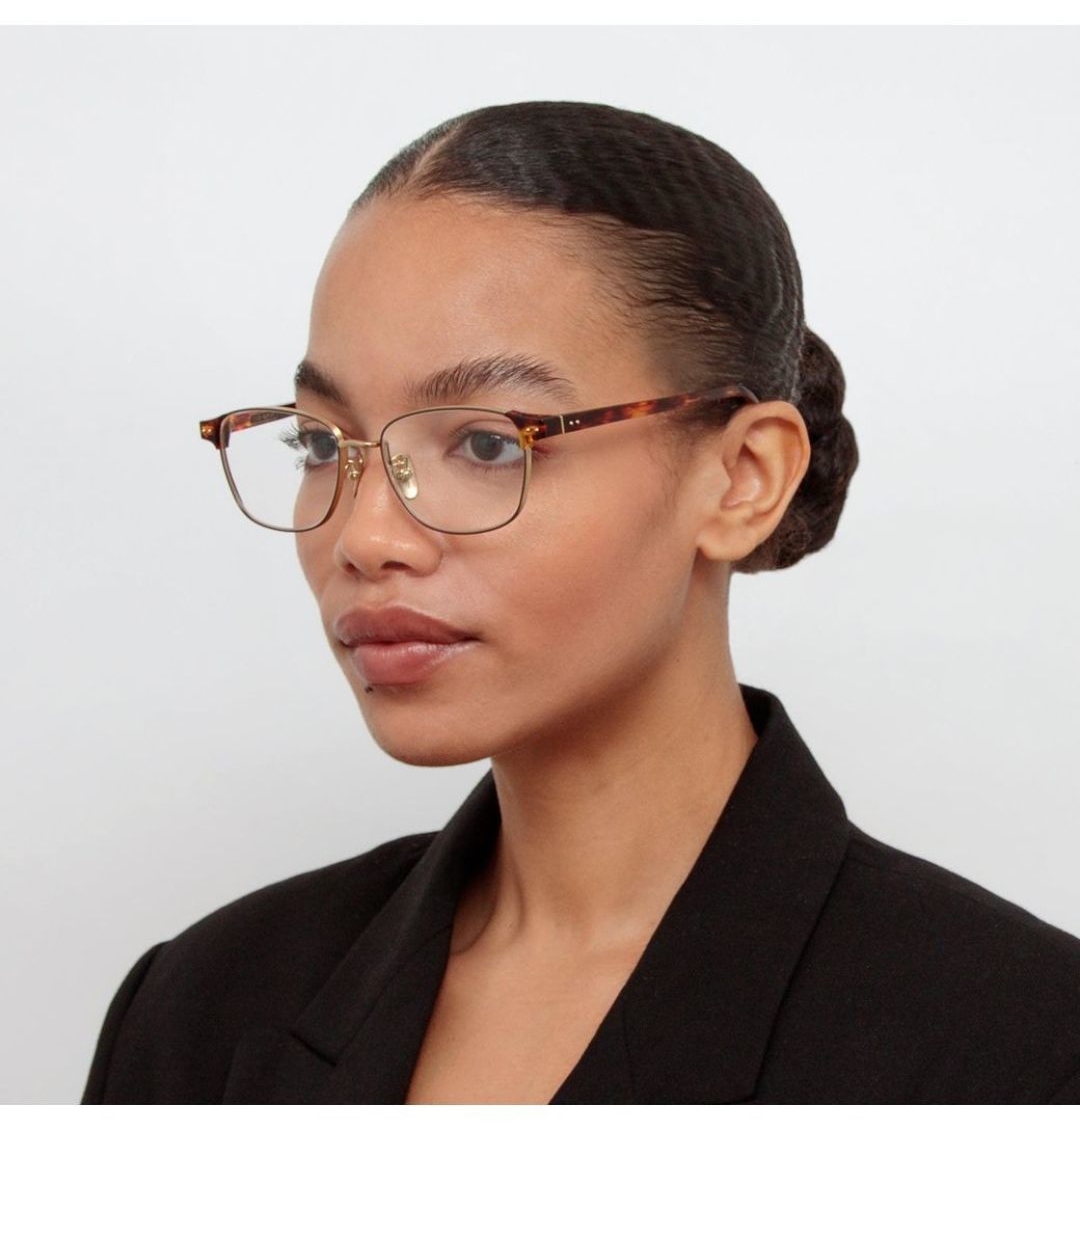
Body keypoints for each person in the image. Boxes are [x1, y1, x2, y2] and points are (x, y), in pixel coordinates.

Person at [81, 99, 1080, 1104]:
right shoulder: (204, 1008)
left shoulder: (1023, 1046)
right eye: (318, 442)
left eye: (485, 443)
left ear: (741, 479)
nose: (365, 536)